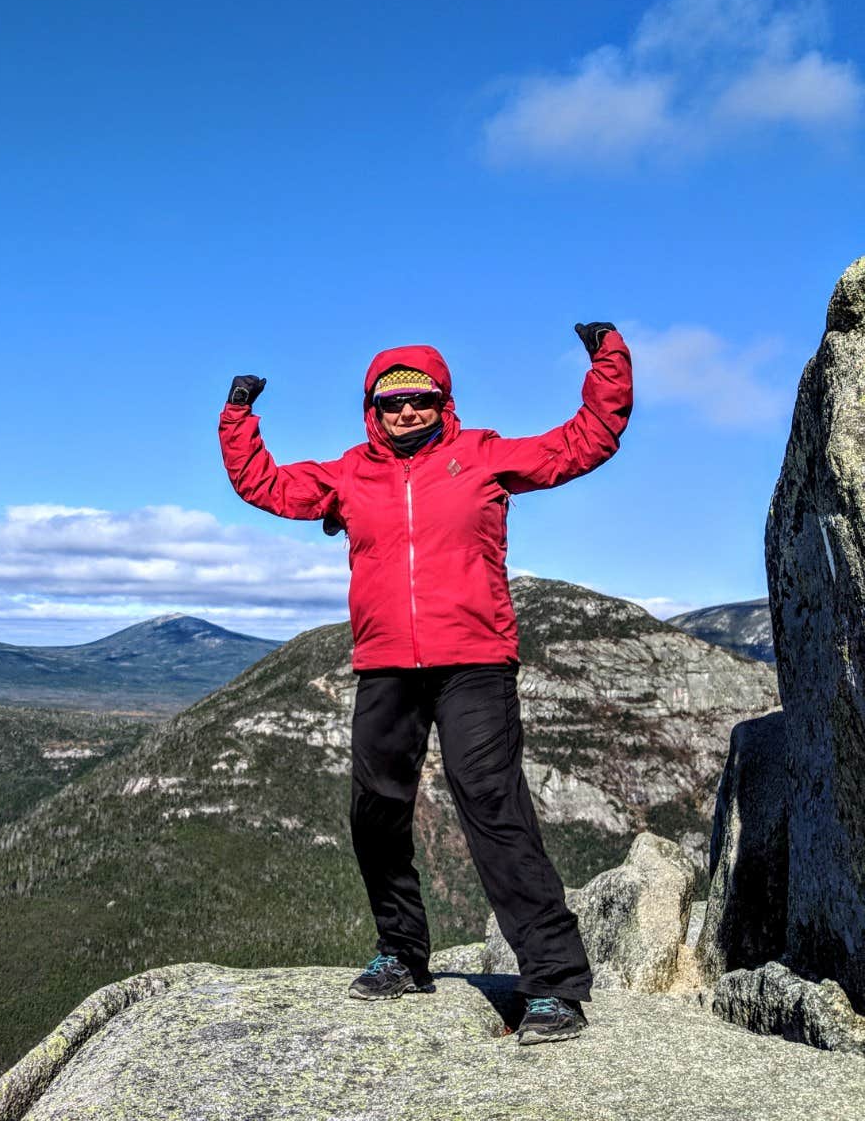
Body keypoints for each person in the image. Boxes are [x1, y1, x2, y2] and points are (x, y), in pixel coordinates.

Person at [217, 322, 632, 1046]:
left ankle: (554, 985)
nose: (406, 413)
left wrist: (608, 359)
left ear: (445, 404)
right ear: (370, 411)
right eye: (390, 403)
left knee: (493, 809)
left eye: (421, 401)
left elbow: (584, 441)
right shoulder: (350, 474)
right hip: (384, 666)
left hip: (474, 661)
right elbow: (268, 487)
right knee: (375, 812)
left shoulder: (483, 458)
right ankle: (403, 955)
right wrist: (238, 417)